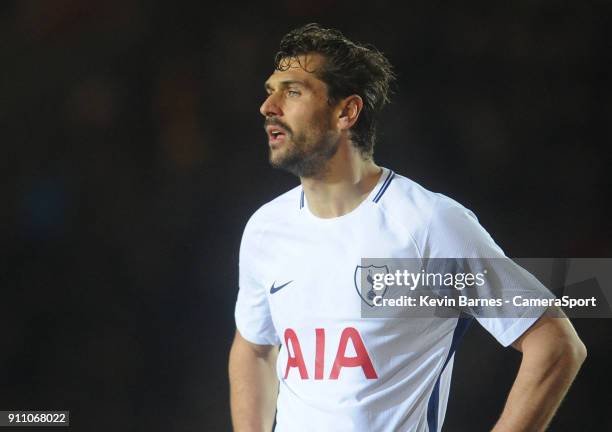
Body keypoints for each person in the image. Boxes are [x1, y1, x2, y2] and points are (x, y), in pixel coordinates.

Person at [228, 23, 586, 432]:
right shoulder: (265, 229)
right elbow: (254, 347)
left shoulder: (427, 223)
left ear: (347, 112)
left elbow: (555, 344)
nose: (268, 106)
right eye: (271, 90)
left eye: (292, 91)